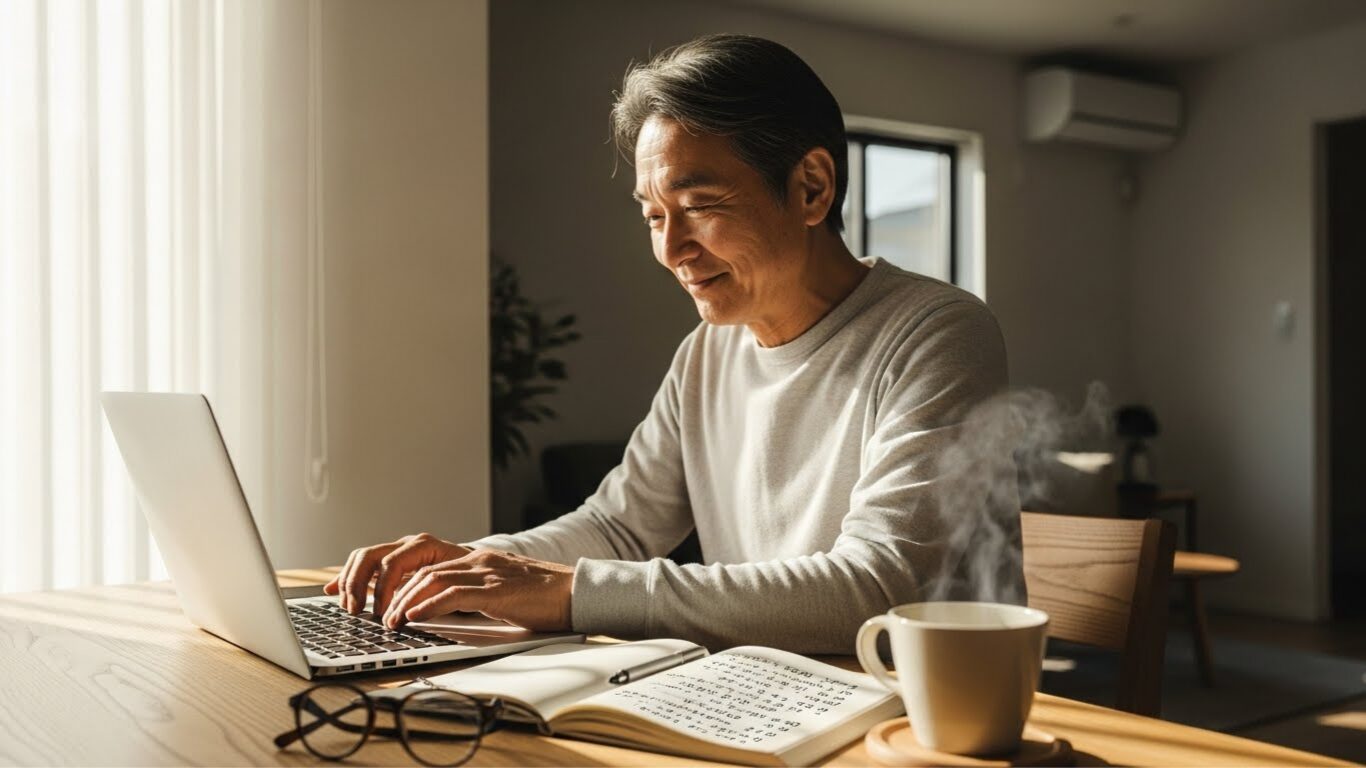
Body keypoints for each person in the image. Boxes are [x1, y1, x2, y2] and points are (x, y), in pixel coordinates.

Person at [324, 33, 1019, 654]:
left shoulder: (936, 332)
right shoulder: (707, 354)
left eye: (697, 207)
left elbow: (879, 591)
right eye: (654, 215)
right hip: (768, 697)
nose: (671, 249)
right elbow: (620, 529)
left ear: (811, 187)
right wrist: (465, 568)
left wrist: (569, 594)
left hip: (913, 723)